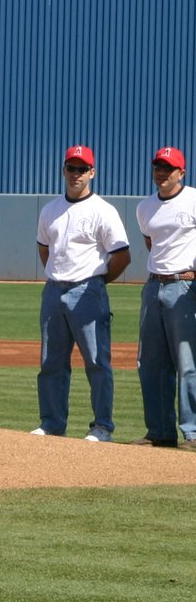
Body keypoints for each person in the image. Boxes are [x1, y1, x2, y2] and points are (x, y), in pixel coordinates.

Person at [31, 145, 130, 441]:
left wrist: (97, 283)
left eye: (82, 169)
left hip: (88, 291)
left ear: (92, 173)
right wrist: (58, 278)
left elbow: (122, 256)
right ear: (63, 170)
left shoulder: (103, 210)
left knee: (97, 362)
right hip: (54, 292)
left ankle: (102, 426)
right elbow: (44, 248)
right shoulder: (50, 209)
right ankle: (51, 424)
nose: (76, 174)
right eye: (71, 168)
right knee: (51, 363)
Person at [133, 145, 196, 448]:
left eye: (168, 168)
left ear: (181, 172)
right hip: (154, 285)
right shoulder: (145, 207)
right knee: (151, 362)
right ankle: (159, 431)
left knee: (188, 361)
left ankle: (193, 432)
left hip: (186, 285)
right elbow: (151, 242)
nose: (161, 172)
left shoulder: (193, 199)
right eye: (158, 166)